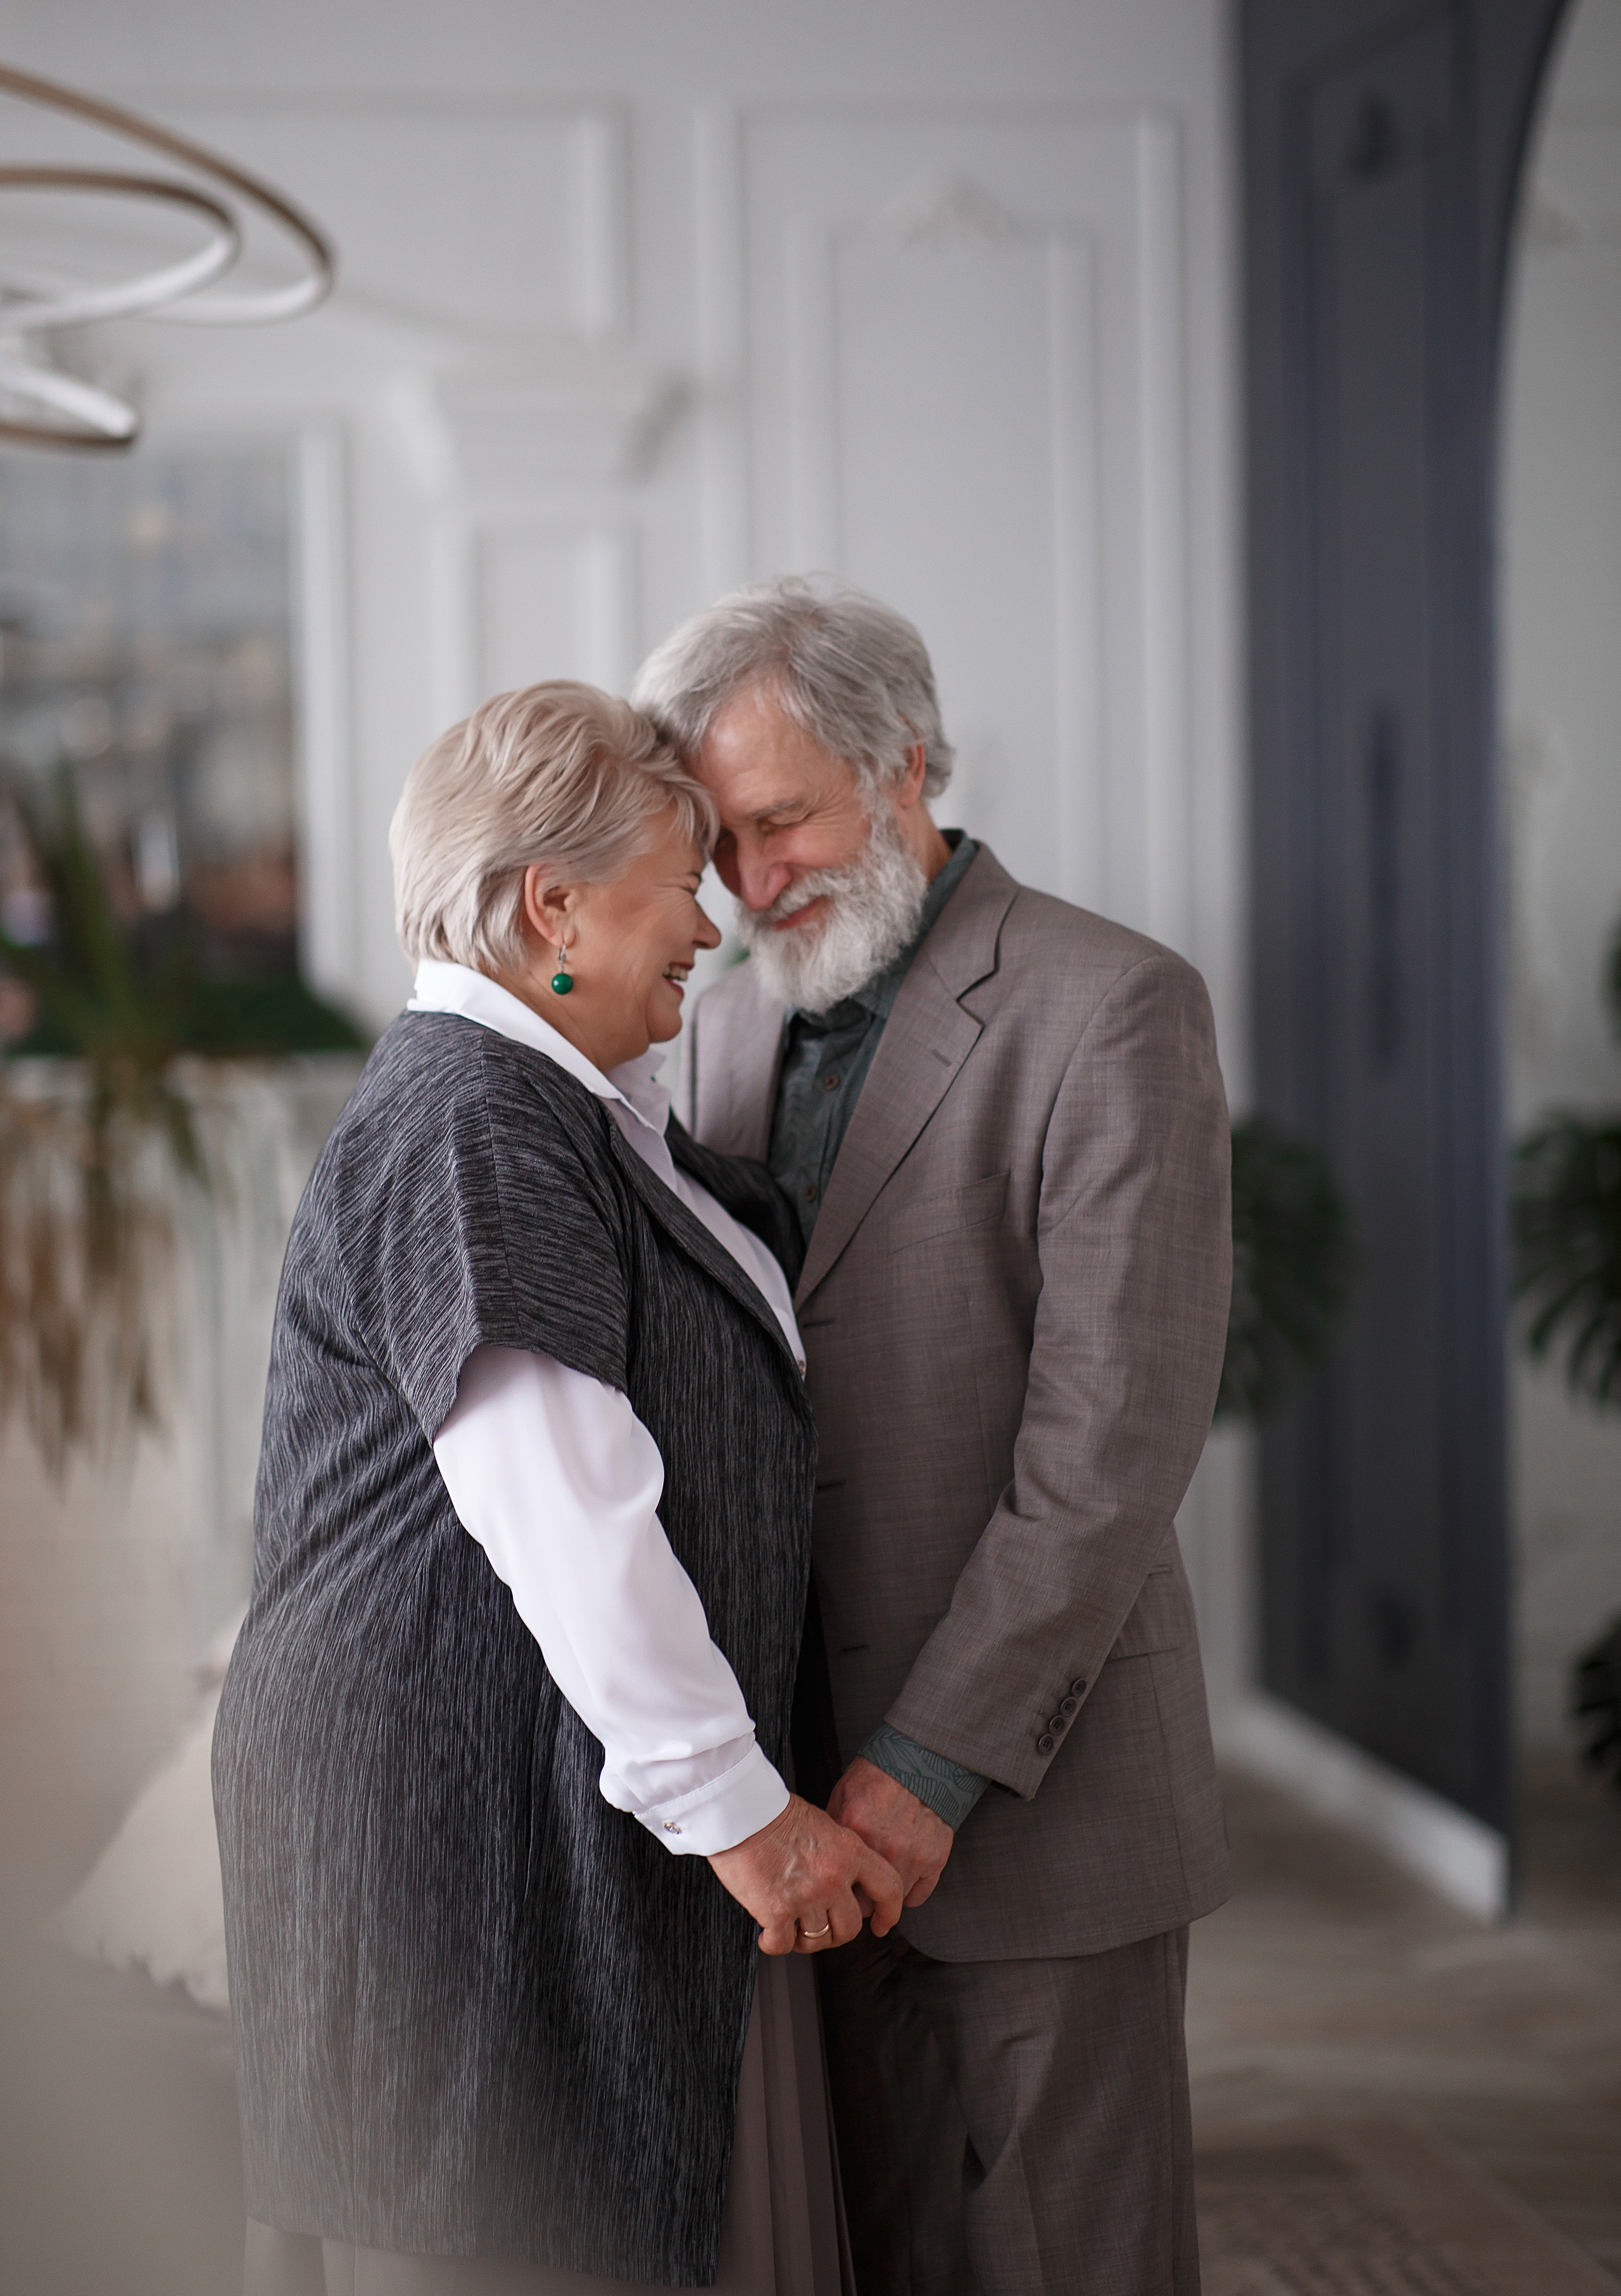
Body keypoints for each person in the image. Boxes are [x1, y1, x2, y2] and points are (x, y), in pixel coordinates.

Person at [213, 681, 903, 2296]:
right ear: (553, 904)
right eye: (680, 878)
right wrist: (744, 1819)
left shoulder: (559, 1106)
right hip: (458, 1798)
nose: (712, 924)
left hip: (512, 1779)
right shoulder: (477, 1116)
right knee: (509, 2231)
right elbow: (567, 1511)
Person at [634, 580, 1233, 2296]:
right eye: (717, 844)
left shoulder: (1114, 1004)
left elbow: (1108, 1451)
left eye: (783, 821)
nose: (749, 887)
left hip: (1026, 1800)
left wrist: (929, 1768)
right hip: (784, 1808)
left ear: (907, 767)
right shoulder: (718, 1022)